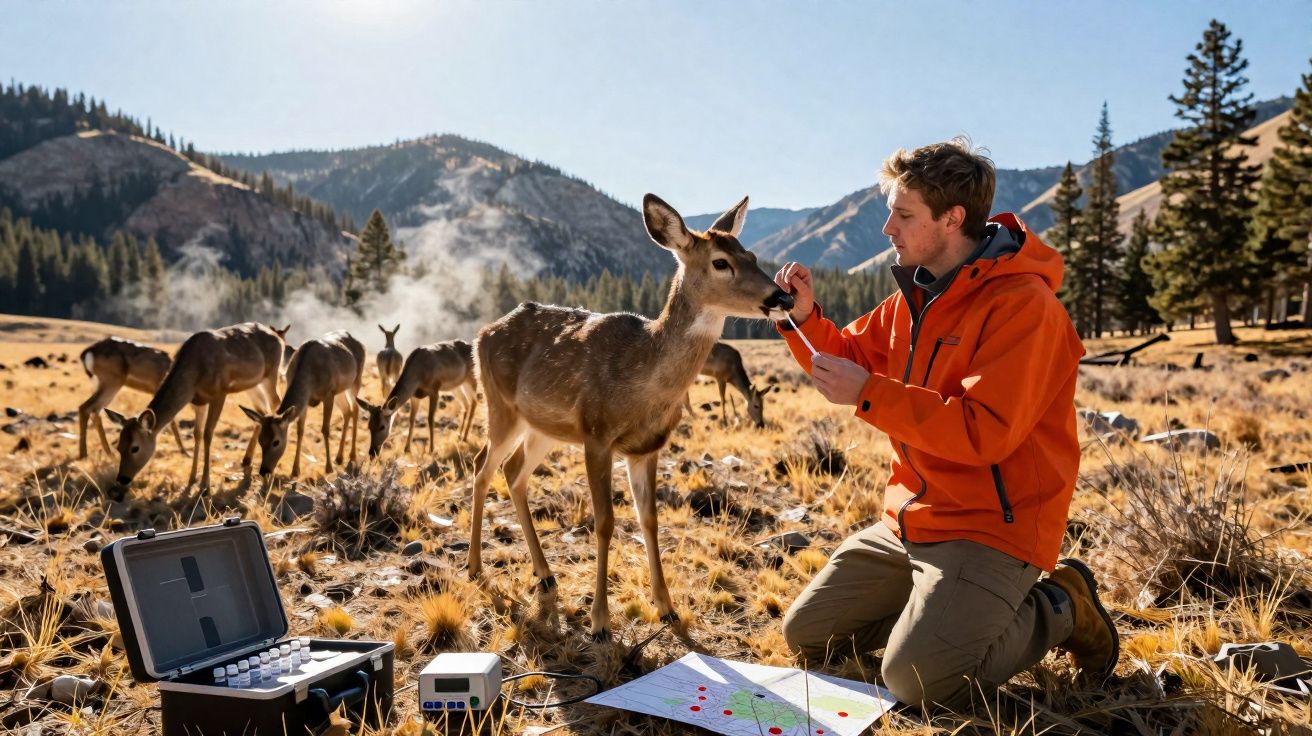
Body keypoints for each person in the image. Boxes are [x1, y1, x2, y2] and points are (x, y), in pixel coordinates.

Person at [772, 137, 1118, 710]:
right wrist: (803, 317)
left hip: (992, 528)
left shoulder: (1024, 308)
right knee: (809, 635)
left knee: (918, 684)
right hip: (911, 519)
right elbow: (847, 358)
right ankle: (939, 622)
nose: (888, 228)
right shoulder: (916, 295)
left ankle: (1061, 605)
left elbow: (984, 432)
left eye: (904, 215)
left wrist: (870, 394)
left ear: (953, 218)